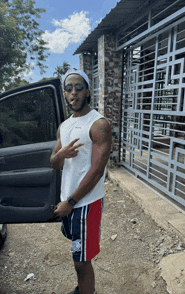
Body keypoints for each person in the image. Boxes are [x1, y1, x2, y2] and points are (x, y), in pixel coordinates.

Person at [50, 68, 112, 294]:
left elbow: (97, 171)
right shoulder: (64, 126)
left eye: (78, 87)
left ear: (87, 90)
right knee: (78, 254)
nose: (73, 93)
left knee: (81, 261)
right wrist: (60, 155)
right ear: (65, 94)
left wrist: (71, 201)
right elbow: (53, 163)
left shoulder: (99, 124)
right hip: (69, 201)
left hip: (86, 204)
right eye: (69, 89)